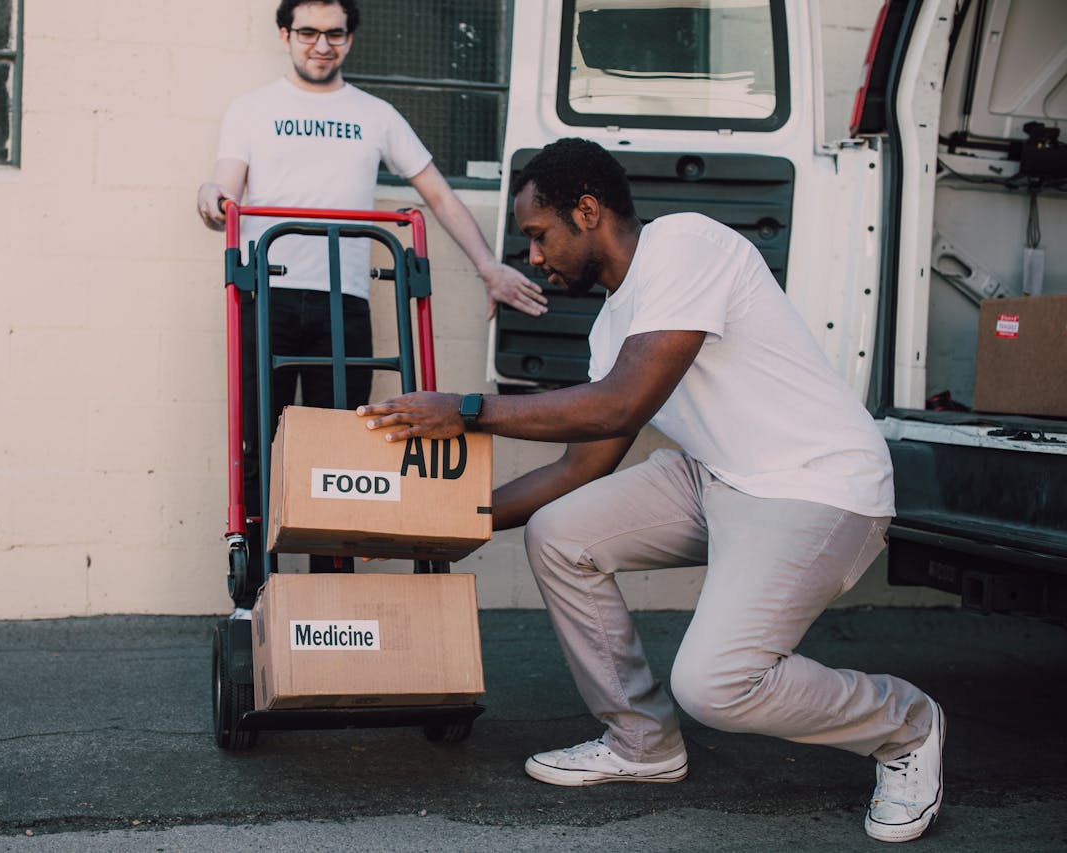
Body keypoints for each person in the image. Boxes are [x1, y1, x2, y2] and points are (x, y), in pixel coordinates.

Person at [356, 138, 945, 844]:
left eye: (539, 236)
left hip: (816, 484)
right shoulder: (613, 326)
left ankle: (906, 723)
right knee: (560, 531)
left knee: (717, 685)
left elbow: (620, 405)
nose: (534, 257)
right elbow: (577, 471)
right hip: (717, 473)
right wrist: (451, 519)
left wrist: (468, 408)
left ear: (587, 209)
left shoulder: (685, 245)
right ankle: (643, 741)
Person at [198, 0, 546, 576]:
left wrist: (489, 265)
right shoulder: (252, 109)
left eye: (334, 34)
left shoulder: (374, 113)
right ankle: (258, 597)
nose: (321, 45)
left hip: (345, 303)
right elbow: (222, 188)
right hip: (268, 295)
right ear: (286, 35)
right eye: (307, 32)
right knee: (260, 446)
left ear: (349, 40)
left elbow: (435, 193)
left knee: (340, 451)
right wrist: (210, 199)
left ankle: (331, 589)